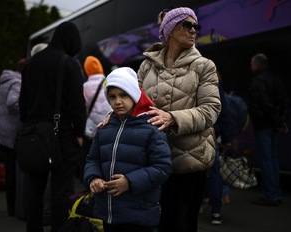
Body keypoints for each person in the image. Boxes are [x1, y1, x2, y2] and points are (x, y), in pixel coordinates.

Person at [137, 7, 221, 232]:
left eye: (196, 26)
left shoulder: (204, 66)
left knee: (183, 224)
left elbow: (211, 109)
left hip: (189, 161)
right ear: (170, 29)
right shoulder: (147, 65)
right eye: (187, 25)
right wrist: (110, 117)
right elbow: (131, 103)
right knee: (157, 222)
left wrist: (172, 118)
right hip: (153, 159)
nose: (194, 30)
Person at [84, 67, 172, 232]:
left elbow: (162, 167)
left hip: (138, 216)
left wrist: (129, 182)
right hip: (106, 214)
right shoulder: (104, 128)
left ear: (133, 94)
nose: (117, 101)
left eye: (123, 95)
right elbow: (93, 159)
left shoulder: (151, 129)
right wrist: (93, 178)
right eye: (112, 96)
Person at [19, 21, 86, 232]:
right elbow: (77, 105)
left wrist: (31, 125)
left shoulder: (31, 63)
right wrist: (79, 133)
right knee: (61, 189)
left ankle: (34, 228)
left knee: (35, 189)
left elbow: (23, 103)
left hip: (34, 134)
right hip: (62, 135)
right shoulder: (68, 64)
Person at [248, 53, 290, 207]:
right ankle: (276, 193)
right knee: (273, 160)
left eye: (252, 64)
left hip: (263, 125)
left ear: (257, 65)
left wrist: (276, 119)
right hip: (274, 124)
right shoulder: (276, 79)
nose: (250, 67)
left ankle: (271, 195)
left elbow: (263, 104)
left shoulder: (258, 81)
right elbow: (284, 101)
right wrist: (281, 120)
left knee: (266, 161)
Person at [0, 58, 28, 215]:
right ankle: (14, 207)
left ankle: (10, 207)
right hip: (12, 132)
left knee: (9, 171)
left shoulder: (6, 80)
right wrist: (27, 109)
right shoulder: (18, 82)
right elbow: (12, 102)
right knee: (13, 172)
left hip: (3, 130)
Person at [207, 71, 233, 225]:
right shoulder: (214, 80)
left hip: (191, 132)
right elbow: (224, 111)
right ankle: (216, 211)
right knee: (214, 172)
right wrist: (227, 137)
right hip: (211, 133)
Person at [80, 55, 111, 180]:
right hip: (109, 124)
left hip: (92, 129)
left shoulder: (84, 87)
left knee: (93, 156)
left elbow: (84, 106)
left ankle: (92, 179)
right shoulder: (108, 81)